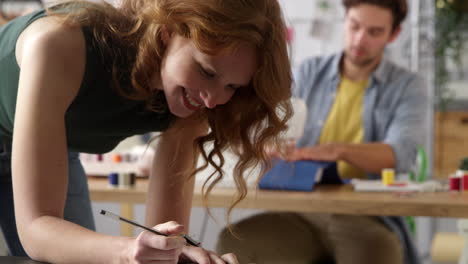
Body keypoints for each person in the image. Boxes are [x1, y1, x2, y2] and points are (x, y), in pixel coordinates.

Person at [0, 0, 293, 263]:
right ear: (167, 32)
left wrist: (178, 254)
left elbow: (163, 236)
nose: (212, 99)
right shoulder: (59, 43)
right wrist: (129, 251)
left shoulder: (193, 99)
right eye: (207, 71)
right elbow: (37, 228)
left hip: (55, 145)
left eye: (232, 86)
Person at [216, 0, 428, 263]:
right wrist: (266, 144)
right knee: (235, 242)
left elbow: (400, 153)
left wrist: (337, 150)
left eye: (374, 32)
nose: (360, 39)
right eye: (355, 26)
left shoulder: (409, 86)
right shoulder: (309, 72)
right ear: (345, 20)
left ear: (393, 35)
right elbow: (266, 126)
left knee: (376, 252)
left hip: (367, 216)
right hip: (302, 210)